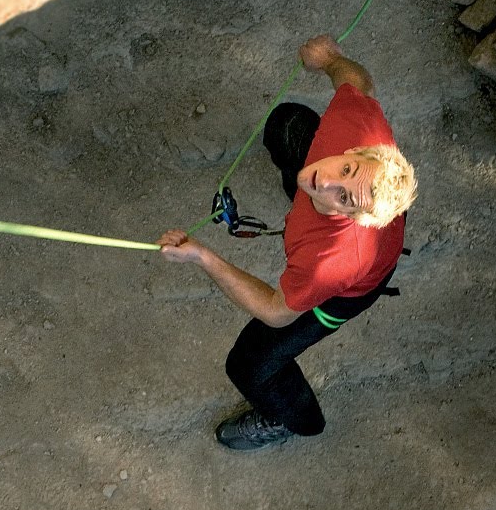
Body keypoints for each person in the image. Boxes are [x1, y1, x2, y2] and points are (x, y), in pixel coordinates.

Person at [157, 34, 416, 451]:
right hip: (348, 228)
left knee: (249, 365)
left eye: (345, 197)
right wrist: (330, 59)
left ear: (357, 218)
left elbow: (276, 313)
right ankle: (306, 197)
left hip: (346, 290)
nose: (327, 179)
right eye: (347, 168)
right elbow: (360, 83)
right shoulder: (359, 126)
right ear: (358, 150)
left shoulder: (329, 262)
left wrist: (202, 256)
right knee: (287, 122)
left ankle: (296, 421)